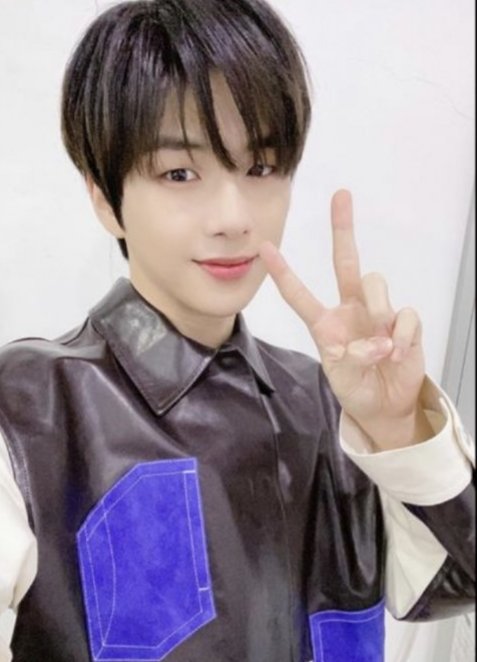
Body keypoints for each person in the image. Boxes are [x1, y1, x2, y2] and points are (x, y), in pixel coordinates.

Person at [0, 0, 474, 660]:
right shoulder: (30, 409)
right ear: (105, 198)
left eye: (261, 168)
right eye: (180, 173)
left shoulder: (329, 406)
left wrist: (400, 429)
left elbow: (455, 584)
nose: (233, 217)